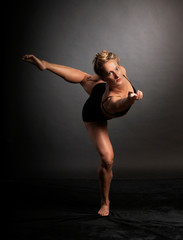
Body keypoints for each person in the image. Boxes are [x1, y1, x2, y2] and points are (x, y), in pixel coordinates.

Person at [22, 50, 143, 216]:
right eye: (109, 73)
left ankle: (45, 64)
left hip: (99, 89)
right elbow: (120, 104)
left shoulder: (120, 71)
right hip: (94, 113)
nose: (116, 75)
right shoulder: (112, 99)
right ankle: (105, 202)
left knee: (86, 78)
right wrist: (130, 99)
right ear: (104, 78)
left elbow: (98, 75)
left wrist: (112, 72)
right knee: (107, 160)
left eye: (116, 68)